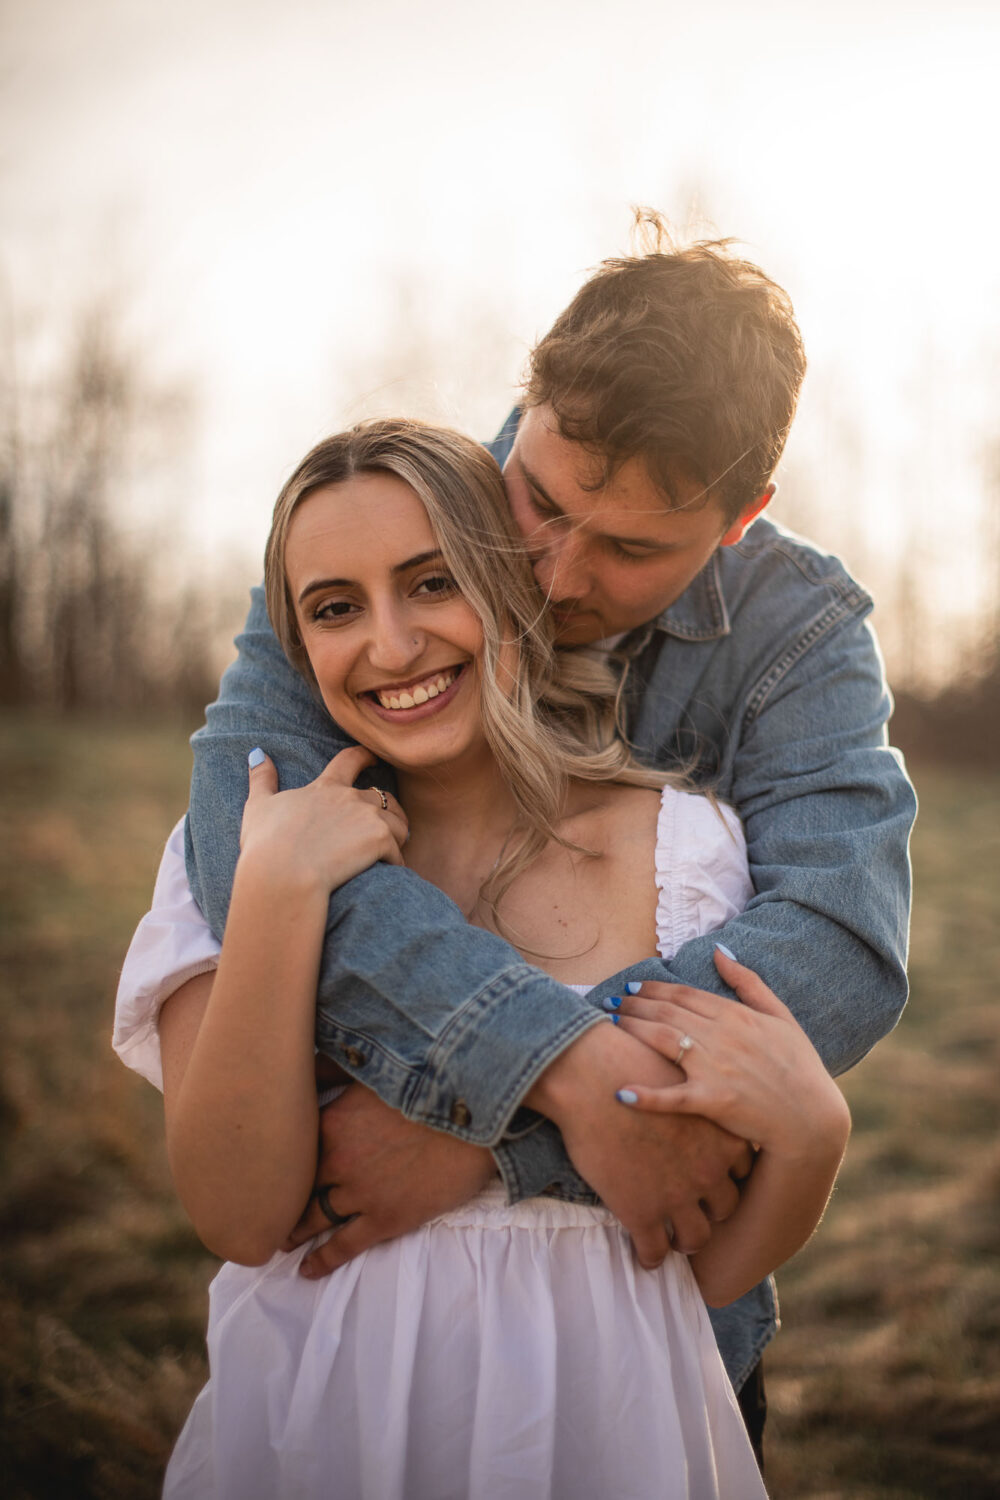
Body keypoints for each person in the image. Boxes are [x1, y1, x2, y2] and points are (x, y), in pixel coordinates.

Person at [119, 218, 916, 1458]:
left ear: (741, 517)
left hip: (652, 1364)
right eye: (538, 500)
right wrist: (555, 1067)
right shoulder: (380, 526)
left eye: (630, 549)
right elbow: (248, 845)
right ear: (528, 400)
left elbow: (834, 946)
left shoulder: (795, 641)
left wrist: (486, 1140)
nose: (548, 568)